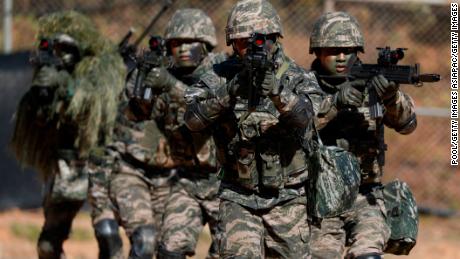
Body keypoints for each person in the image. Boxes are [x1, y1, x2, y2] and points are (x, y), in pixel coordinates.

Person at [184, 0, 320, 257]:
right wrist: (229, 91)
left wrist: (278, 93)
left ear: (274, 39)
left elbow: (308, 119)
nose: (252, 48)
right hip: (238, 196)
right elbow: (192, 120)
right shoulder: (219, 76)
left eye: (260, 40)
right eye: (243, 42)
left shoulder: (296, 76)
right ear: (232, 44)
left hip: (288, 197)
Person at [109, 8, 226, 259]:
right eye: (175, 43)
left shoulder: (222, 71)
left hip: (227, 184)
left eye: (189, 43)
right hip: (187, 181)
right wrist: (140, 82)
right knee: (168, 250)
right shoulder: (165, 73)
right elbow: (136, 115)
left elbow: (207, 108)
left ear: (206, 44)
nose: (182, 49)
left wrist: (169, 85)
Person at [10, 11, 126, 259]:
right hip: (65, 169)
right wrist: (44, 97)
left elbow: (93, 109)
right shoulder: (45, 84)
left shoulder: (96, 80)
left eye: (66, 49)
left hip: (98, 168)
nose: (60, 56)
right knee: (47, 246)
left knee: (108, 236)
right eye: (56, 49)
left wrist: (67, 89)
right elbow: (37, 125)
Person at [308, 11, 417, 259]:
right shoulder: (304, 84)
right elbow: (297, 125)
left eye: (349, 50)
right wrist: (335, 103)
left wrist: (391, 97)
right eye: (333, 50)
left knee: (368, 255)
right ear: (317, 51)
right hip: (321, 202)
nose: (342, 57)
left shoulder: (372, 83)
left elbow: (407, 124)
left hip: (366, 197)